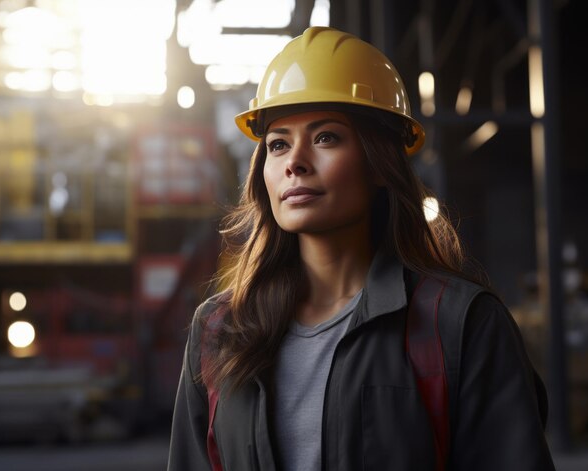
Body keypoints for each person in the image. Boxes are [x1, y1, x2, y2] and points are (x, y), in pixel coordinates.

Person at [167, 26, 556, 471]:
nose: (294, 162)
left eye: (326, 137)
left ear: (378, 163)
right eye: (277, 144)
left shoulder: (459, 324)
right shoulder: (219, 329)